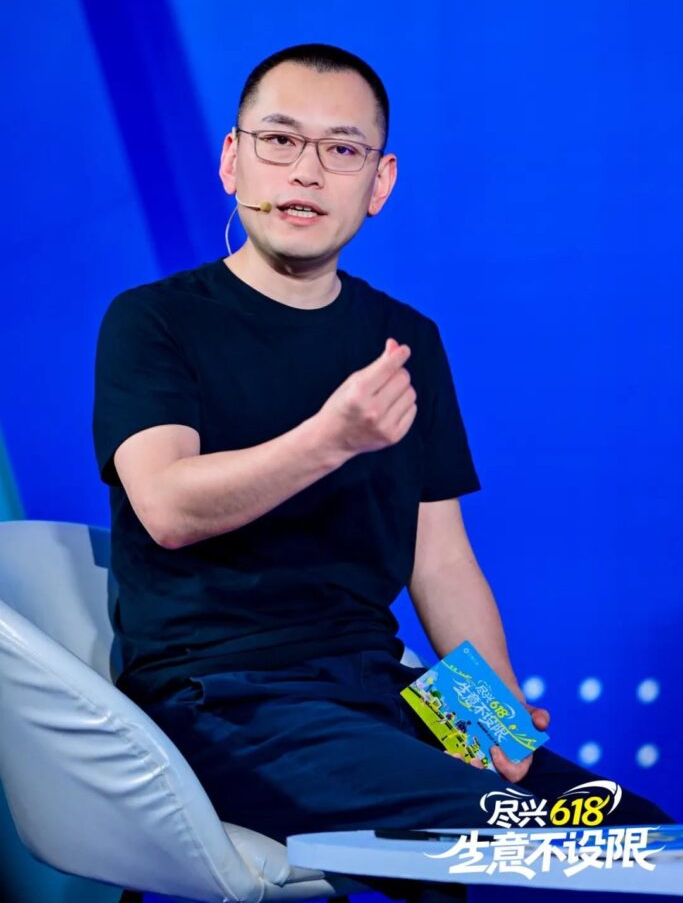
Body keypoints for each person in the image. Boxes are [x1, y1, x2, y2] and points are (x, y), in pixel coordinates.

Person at [93, 43, 674, 874]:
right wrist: (331, 438)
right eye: (278, 140)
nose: (305, 172)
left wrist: (493, 709)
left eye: (342, 149)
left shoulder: (405, 341)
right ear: (231, 160)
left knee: (638, 838)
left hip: (382, 686)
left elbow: (440, 559)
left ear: (379, 182)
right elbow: (168, 508)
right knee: (508, 834)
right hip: (219, 695)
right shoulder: (154, 320)